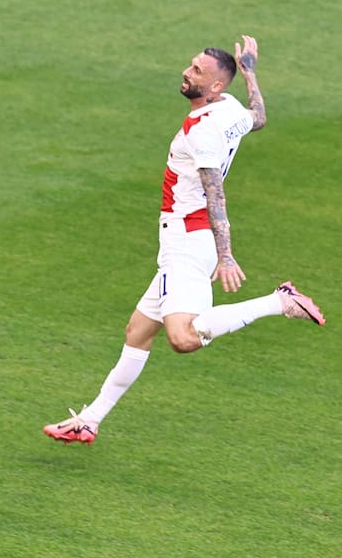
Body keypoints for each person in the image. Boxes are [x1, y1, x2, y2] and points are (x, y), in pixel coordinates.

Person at [44, 35, 325, 445]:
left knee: (183, 338)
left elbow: (216, 193)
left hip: (188, 241)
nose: (186, 71)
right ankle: (90, 419)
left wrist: (225, 255)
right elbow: (259, 117)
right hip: (182, 241)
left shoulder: (202, 133)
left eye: (197, 71)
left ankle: (279, 301)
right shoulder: (229, 108)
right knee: (138, 332)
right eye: (191, 64)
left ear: (213, 86)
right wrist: (250, 74)